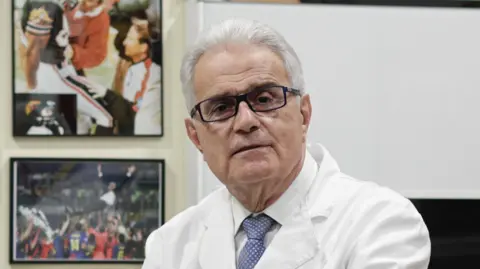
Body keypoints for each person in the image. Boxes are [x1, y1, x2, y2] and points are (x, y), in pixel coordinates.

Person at [141, 18, 431, 269]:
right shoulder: (170, 246)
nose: (245, 121)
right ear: (196, 137)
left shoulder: (381, 222)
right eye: (220, 108)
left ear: (304, 114)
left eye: (264, 99)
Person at [18, 0, 114, 135]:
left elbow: (97, 54)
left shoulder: (95, 17)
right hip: (55, 72)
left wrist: (74, 52)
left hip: (59, 70)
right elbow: (31, 49)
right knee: (103, 118)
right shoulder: (47, 8)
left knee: (81, 122)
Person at [86, 17, 162, 136]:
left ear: (144, 47)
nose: (124, 42)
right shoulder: (129, 67)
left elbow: (132, 114)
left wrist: (108, 95)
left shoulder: (152, 75)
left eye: (130, 39)